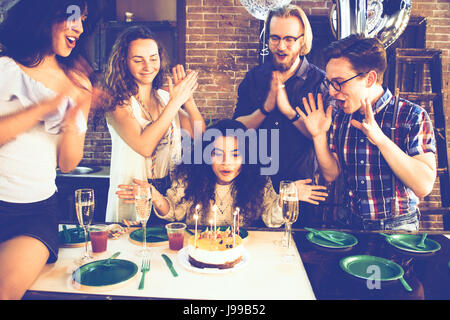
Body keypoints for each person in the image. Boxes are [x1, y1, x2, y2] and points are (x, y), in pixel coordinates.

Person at [0, 0, 95, 299]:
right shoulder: (5, 66)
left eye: (83, 20)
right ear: (45, 14)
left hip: (35, 212)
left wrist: (69, 123)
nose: (79, 27)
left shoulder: (79, 84)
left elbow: (68, 163)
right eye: (73, 17)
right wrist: (45, 107)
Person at [298, 34, 437, 231]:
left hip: (398, 230)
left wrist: (380, 139)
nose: (332, 91)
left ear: (370, 78)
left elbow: (423, 186)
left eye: (339, 82)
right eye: (330, 82)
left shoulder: (412, 115)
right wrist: (318, 136)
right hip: (351, 225)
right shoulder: (341, 117)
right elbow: (331, 174)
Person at [117, 119, 328, 227]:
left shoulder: (258, 180)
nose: (227, 162)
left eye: (235, 154)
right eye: (218, 153)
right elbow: (172, 212)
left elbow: (269, 218)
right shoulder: (189, 178)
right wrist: (155, 197)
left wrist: (287, 198)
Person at [233, 4, 334, 225]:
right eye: (275, 38)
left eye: (289, 39)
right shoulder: (254, 78)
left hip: (303, 192)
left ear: (302, 40)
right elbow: (237, 130)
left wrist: (288, 110)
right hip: (257, 189)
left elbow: (319, 136)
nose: (281, 46)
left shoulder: (320, 83)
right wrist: (265, 109)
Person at [102, 26, 205, 224]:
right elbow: (145, 146)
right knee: (133, 249)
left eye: (153, 58)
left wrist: (189, 101)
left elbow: (200, 136)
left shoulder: (165, 98)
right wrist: (176, 102)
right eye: (138, 60)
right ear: (123, 62)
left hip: (167, 194)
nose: (148, 66)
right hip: (134, 191)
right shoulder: (117, 103)